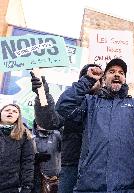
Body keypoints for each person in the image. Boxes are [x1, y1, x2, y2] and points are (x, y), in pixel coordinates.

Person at [56, 58, 134, 193]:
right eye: (112, 71)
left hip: (127, 185)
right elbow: (63, 107)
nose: (117, 74)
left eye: (121, 73)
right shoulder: (90, 102)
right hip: (90, 184)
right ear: (104, 79)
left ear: (124, 79)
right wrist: (87, 80)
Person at [30, 63, 101, 193]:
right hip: (71, 165)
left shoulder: (108, 104)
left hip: (98, 166)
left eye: (97, 77)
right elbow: (49, 122)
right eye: (89, 77)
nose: (93, 79)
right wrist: (42, 94)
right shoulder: (71, 102)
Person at [0, 104, 35, 193]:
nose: (10, 112)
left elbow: (28, 162)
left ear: (18, 117)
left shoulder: (25, 136)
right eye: (7, 110)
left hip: (11, 186)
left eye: (15, 111)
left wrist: (26, 186)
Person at [33, 120, 61, 193]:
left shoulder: (57, 135)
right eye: (40, 122)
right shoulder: (31, 136)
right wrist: (35, 157)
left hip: (54, 175)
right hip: (36, 175)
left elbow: (66, 148)